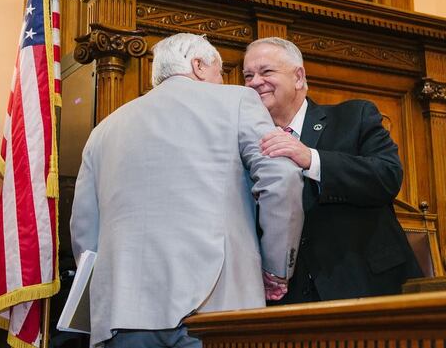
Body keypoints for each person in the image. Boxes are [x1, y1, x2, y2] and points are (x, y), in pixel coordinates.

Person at [70, 33, 304, 348]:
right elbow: (281, 178)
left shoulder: (104, 129)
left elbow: (84, 231)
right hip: (213, 308)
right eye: (220, 72)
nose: (222, 82)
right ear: (198, 65)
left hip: (122, 316)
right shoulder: (237, 101)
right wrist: (277, 269)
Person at [243, 37, 423, 304]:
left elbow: (387, 176)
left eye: (266, 71)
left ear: (298, 77)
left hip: (366, 287)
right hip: (287, 301)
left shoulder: (355, 116)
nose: (255, 82)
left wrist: (311, 159)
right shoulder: (248, 142)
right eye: (248, 75)